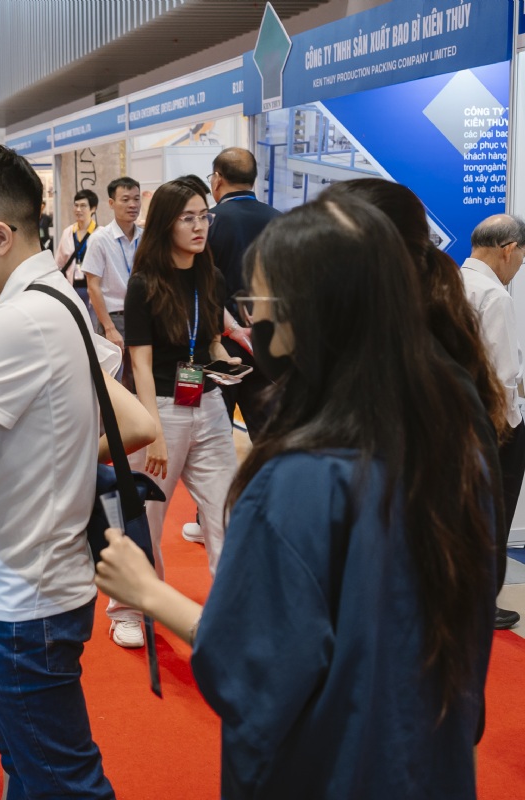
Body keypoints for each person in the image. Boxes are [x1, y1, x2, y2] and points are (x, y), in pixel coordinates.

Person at [95, 196, 496, 799]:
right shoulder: (452, 440)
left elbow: (252, 671)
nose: (252, 319)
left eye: (260, 303)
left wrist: (147, 592)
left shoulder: (299, 479)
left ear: (304, 314)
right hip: (427, 759)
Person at [0, 141, 155, 800]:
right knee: (27, 766)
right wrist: (45, 451)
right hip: (37, 579)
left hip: (24, 596)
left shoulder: (22, 319)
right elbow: (134, 423)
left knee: (61, 781)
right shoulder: (58, 299)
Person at [104, 178, 239, 649]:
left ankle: (233, 613)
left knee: (227, 512)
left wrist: (226, 359)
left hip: (209, 404)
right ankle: (128, 609)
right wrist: (153, 431)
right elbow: (140, 364)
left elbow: (211, 342)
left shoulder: (211, 276)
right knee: (146, 517)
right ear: (166, 224)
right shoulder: (144, 284)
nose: (200, 226)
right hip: (159, 407)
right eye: (188, 218)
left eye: (204, 216)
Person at [461, 213, 525, 630]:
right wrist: (509, 427)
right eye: (521, 258)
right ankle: (483, 602)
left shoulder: (452, 283)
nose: (519, 267)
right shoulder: (494, 296)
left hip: (457, 419)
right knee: (493, 515)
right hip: (494, 426)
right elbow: (502, 377)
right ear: (508, 250)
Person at [206, 148, 282, 437]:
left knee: (217, 435)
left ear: (217, 179)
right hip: (268, 343)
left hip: (219, 344)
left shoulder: (207, 222)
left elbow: (200, 287)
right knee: (269, 434)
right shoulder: (280, 220)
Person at [82, 177, 143, 389]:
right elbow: (93, 287)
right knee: (112, 381)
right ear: (111, 203)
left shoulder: (145, 238)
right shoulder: (100, 239)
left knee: (138, 377)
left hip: (141, 316)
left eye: (136, 199)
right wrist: (108, 328)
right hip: (114, 318)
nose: (132, 204)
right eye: (125, 199)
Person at [54, 188, 99, 317]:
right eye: (76, 205)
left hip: (93, 291)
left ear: (93, 208)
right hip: (72, 289)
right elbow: (59, 263)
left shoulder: (100, 234)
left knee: (92, 325)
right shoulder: (68, 233)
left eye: (83, 206)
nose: (78, 209)